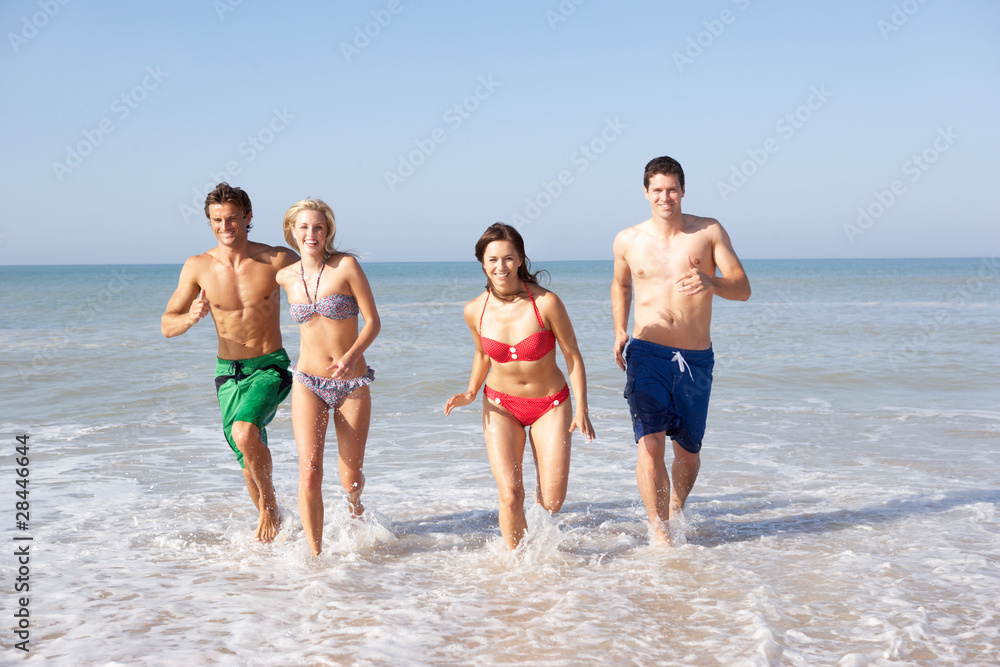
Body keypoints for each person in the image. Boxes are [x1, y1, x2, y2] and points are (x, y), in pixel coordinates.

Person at [612, 156, 751, 545]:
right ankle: (659, 530)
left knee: (687, 453)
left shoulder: (708, 232)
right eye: (657, 190)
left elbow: (742, 288)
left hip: (694, 359)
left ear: (683, 190)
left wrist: (711, 282)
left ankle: (675, 508)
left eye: (672, 189)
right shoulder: (627, 240)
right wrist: (619, 330)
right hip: (646, 352)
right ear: (645, 192)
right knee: (650, 443)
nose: (665, 197)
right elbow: (621, 285)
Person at [162, 182, 298, 543]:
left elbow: (324, 279)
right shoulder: (197, 266)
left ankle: (270, 508)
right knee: (246, 461)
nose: (225, 227)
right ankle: (274, 540)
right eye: (217, 220)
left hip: (270, 366)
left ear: (248, 217)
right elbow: (166, 325)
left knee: (244, 432)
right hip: (227, 374)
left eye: (233, 219)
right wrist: (190, 317)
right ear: (210, 221)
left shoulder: (276, 259)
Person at [445, 223, 595, 550]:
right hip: (500, 405)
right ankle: (518, 567)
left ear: (521, 259)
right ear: (482, 263)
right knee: (510, 494)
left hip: (550, 405)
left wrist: (581, 408)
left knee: (552, 500)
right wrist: (471, 391)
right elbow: (482, 353)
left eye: (509, 258)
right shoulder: (475, 310)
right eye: (493, 259)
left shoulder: (546, 303)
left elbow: (573, 356)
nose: (501, 267)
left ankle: (540, 549)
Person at [276, 198, 380, 557]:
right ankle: (315, 554)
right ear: (292, 231)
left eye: (318, 227)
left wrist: (351, 357)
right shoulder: (283, 276)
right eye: (303, 227)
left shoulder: (345, 267)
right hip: (307, 381)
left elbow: (373, 322)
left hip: (351, 384)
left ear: (328, 232)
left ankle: (355, 510)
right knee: (309, 471)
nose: (311, 233)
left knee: (350, 477)